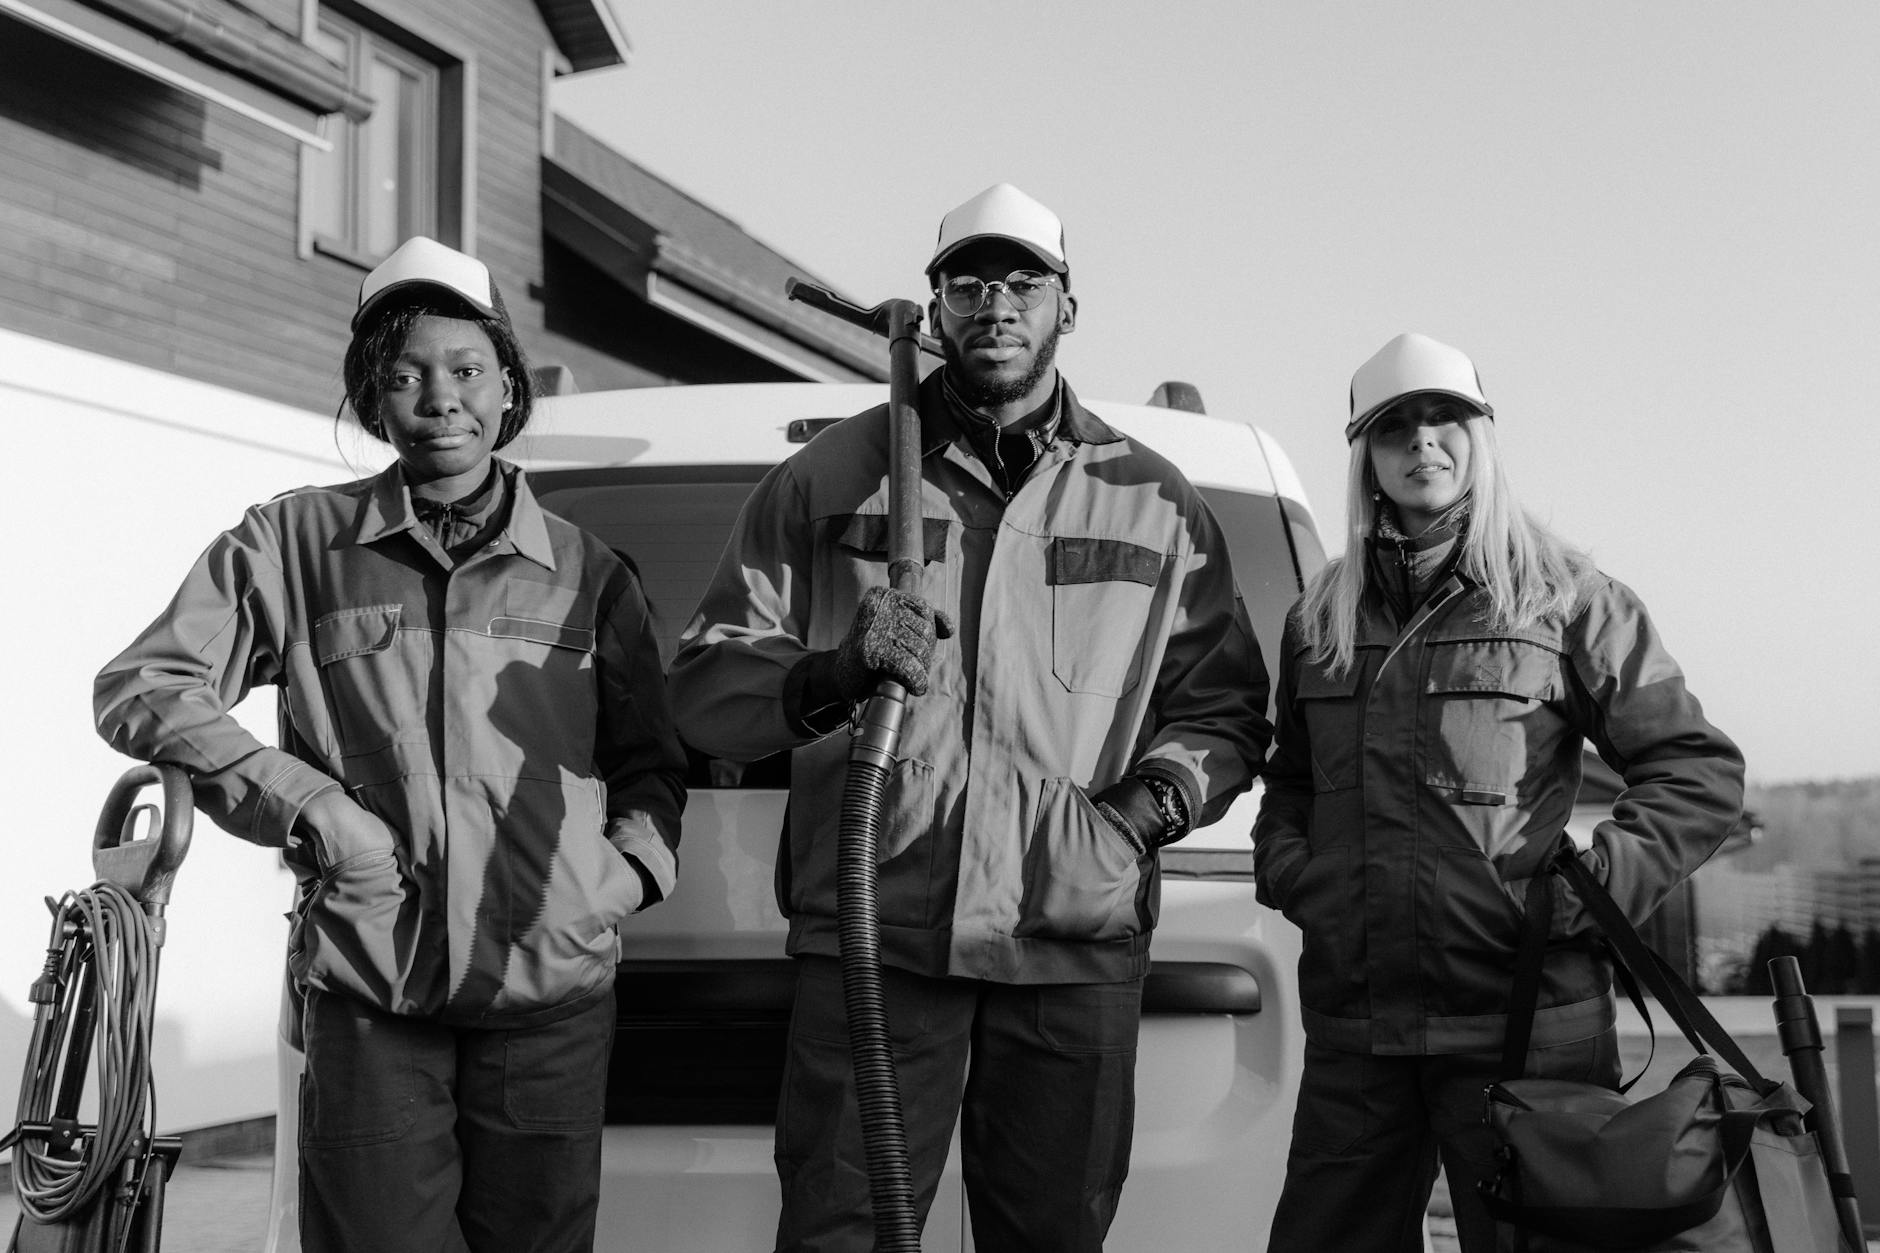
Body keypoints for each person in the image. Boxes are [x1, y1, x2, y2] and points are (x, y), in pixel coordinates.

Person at [666, 183, 1271, 1252]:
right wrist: (833, 672)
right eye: (969, 281)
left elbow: (1222, 704)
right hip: (878, 934)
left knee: (1050, 1234)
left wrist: (1137, 812)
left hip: (1068, 941)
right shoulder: (829, 478)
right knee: (841, 1230)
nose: (995, 301)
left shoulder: (1152, 498)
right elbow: (707, 682)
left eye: (1022, 281)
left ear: (1064, 309)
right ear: (937, 306)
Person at [94, 236, 686, 1253]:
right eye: (405, 373)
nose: (439, 397)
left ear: (506, 389)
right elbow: (144, 683)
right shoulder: (293, 545)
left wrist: (618, 875)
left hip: (548, 986)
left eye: (464, 370)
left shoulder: (589, 572)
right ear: (372, 396)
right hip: (371, 987)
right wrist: (309, 805)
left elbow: (649, 762)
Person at [1252, 331, 1744, 1252]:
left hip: (1529, 1029)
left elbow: (1696, 771)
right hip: (1359, 1036)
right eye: (1396, 424)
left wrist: (1584, 895)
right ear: (1366, 453)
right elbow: (1288, 783)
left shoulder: (1565, 598)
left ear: (1482, 438)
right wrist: (1296, 872)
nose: (1422, 441)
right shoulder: (1319, 614)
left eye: (1446, 419)